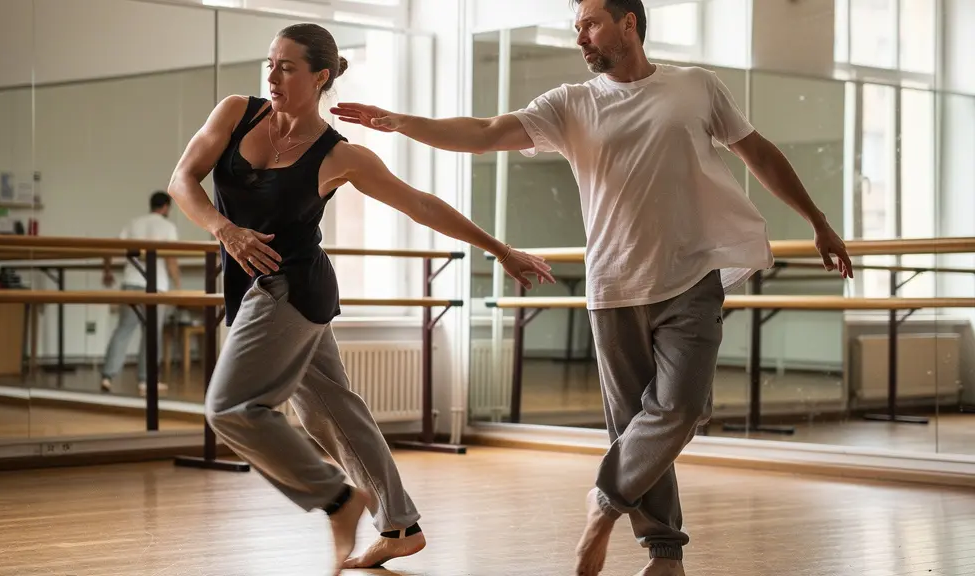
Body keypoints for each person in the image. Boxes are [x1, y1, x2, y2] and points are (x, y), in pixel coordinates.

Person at [331, 1, 854, 574]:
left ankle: (604, 501)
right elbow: (484, 133)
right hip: (614, 286)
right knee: (633, 426)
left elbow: (759, 153)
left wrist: (818, 221)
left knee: (680, 409)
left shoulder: (696, 87)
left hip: (691, 278)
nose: (580, 36)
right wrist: (403, 122)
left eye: (590, 23)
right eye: (576, 26)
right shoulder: (570, 103)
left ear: (628, 22)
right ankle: (664, 554)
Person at [166, 22, 555, 576]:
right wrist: (223, 229)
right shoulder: (236, 112)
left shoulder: (340, 156)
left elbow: (421, 205)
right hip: (253, 281)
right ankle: (399, 528)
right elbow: (183, 179)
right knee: (332, 413)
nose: (273, 76)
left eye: (288, 67)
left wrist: (499, 248)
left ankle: (338, 499)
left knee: (229, 408)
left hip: (292, 287)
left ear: (320, 76)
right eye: (270, 64)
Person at [100, 190, 181, 397]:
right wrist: (178, 285)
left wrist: (107, 271)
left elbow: (111, 247)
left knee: (123, 330)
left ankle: (107, 376)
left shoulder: (134, 223)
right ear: (165, 207)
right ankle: (146, 381)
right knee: (151, 334)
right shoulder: (168, 227)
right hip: (157, 286)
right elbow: (171, 259)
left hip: (131, 283)